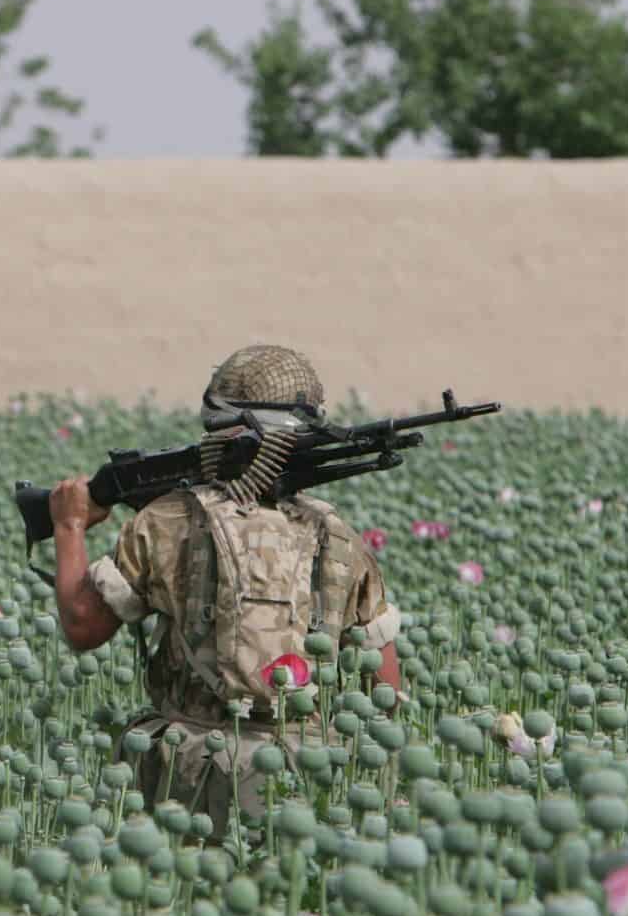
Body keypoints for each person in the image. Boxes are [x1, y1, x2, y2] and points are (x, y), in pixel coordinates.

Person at [46, 343, 403, 836]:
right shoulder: (338, 537)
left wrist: (69, 527)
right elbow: (385, 694)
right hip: (304, 782)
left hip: (185, 779)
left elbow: (83, 626)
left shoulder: (168, 521)